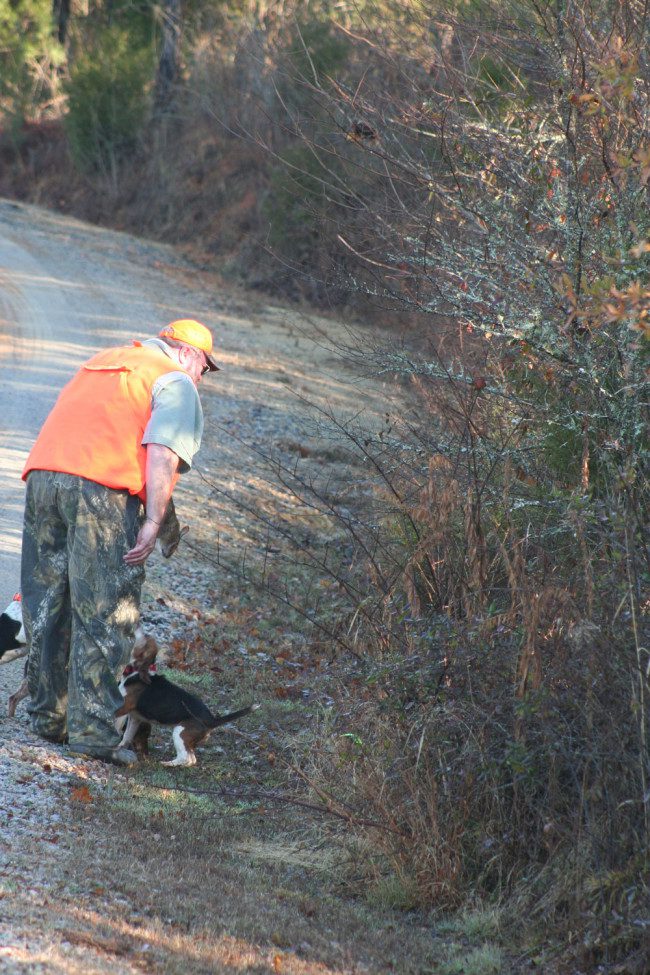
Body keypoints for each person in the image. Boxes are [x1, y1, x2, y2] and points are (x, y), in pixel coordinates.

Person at [20, 319, 218, 766]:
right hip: (101, 493)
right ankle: (91, 734)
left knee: (48, 603)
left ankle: (48, 717)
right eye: (205, 367)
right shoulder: (175, 380)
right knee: (106, 611)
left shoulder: (105, 359)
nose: (202, 378)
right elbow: (163, 451)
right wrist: (153, 521)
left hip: (44, 479)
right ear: (188, 354)